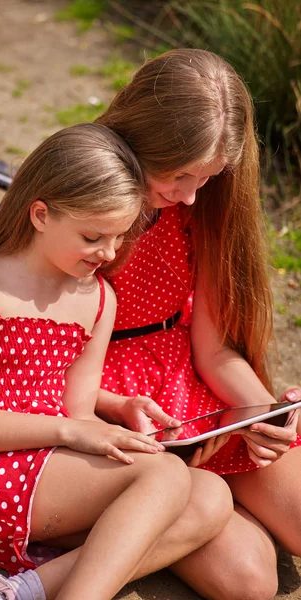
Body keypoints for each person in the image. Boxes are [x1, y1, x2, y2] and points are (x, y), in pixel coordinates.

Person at [0, 123, 234, 600]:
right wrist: (69, 432)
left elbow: (77, 411)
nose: (110, 253)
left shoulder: (97, 299)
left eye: (120, 238)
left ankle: (13, 591)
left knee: (209, 497)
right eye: (94, 236)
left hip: (39, 465)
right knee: (163, 480)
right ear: (40, 214)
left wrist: (113, 430)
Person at [93, 48, 301, 600]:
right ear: (142, 137)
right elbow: (39, 359)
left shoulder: (198, 208)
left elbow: (213, 350)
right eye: (180, 174)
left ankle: (201, 497)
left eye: (207, 177)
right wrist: (109, 407)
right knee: (250, 582)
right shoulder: (86, 201)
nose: (191, 193)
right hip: (101, 398)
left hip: (188, 385)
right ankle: (161, 513)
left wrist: (261, 416)